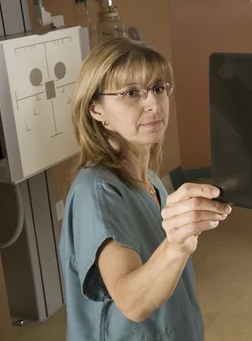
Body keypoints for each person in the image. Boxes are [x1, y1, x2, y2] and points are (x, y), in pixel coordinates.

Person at [59, 38, 231, 341]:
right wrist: (177, 245)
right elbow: (132, 303)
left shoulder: (149, 182)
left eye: (159, 88)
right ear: (96, 110)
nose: (153, 103)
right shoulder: (96, 193)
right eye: (131, 93)